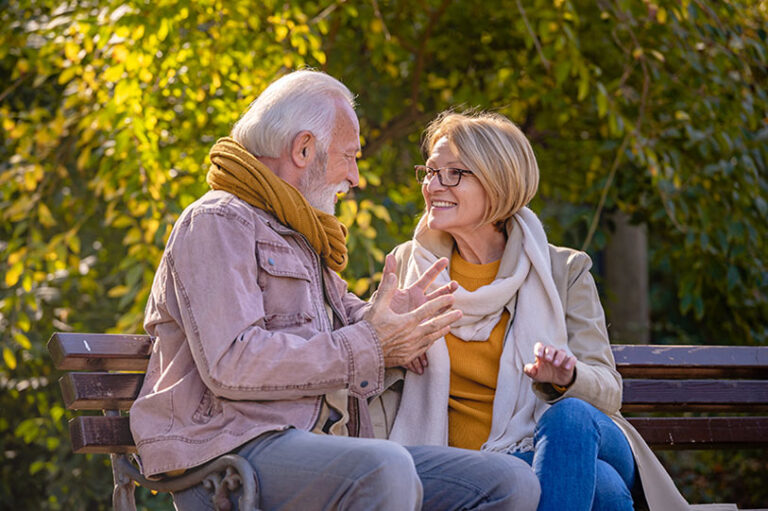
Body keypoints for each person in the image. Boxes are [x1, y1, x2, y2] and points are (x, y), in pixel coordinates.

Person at [130, 71, 540, 511]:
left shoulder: (302, 235)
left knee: (509, 480)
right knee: (385, 469)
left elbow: (356, 328)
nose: (356, 176)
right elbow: (232, 362)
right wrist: (372, 342)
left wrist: (391, 324)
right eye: (349, 157)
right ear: (304, 149)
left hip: (322, 446)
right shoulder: (217, 221)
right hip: (233, 452)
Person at [374, 110, 698, 511]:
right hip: (459, 463)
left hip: (561, 437)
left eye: (453, 173)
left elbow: (608, 392)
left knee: (569, 417)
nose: (432, 185)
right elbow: (365, 363)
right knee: (606, 490)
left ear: (497, 181)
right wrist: (391, 345)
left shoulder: (564, 271)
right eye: (430, 171)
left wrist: (565, 378)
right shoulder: (410, 268)